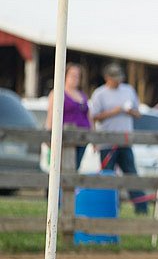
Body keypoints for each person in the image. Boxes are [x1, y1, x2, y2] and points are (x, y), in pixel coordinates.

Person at [88, 63, 148, 214]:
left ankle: (141, 208)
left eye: (120, 77)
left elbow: (138, 114)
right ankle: (108, 207)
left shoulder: (128, 90)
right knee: (108, 176)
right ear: (107, 77)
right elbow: (94, 117)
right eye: (115, 78)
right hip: (107, 143)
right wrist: (114, 112)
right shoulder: (100, 94)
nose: (118, 80)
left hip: (125, 141)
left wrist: (130, 111)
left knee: (131, 175)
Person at [45, 62, 91, 169]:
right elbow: (51, 114)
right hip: (65, 137)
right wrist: (49, 135)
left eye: (77, 76)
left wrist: (94, 136)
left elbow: (89, 116)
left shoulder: (82, 94)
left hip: (83, 137)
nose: (75, 78)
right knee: (61, 168)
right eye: (72, 75)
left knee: (75, 167)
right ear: (65, 75)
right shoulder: (57, 92)